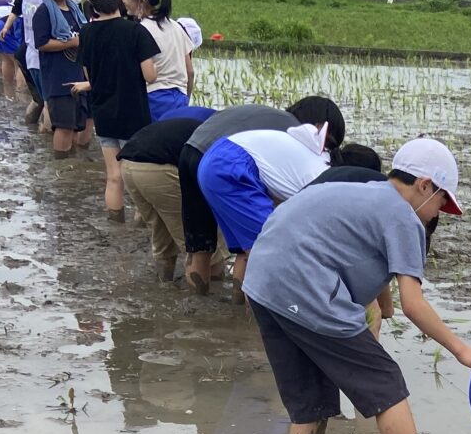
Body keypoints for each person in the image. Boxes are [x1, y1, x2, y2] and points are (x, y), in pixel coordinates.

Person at [243, 137, 471, 434]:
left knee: (309, 403)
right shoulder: (403, 218)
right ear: (425, 185)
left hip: (262, 281)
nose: (438, 213)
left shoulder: (360, 190)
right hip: (305, 285)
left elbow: (352, 256)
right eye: (441, 201)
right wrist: (461, 350)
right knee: (386, 384)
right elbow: (413, 303)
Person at [179, 97, 344, 295]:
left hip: (193, 151)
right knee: (262, 252)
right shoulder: (294, 134)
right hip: (228, 165)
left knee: (202, 245)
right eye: (329, 143)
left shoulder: (270, 117)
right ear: (319, 126)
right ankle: (246, 319)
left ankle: (200, 310)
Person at [68, 0, 156, 221]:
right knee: (137, 176)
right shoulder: (136, 32)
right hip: (134, 114)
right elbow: (150, 76)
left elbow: (90, 77)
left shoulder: (86, 33)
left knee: (114, 175)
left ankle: (115, 226)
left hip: (104, 113)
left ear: (91, 2)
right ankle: (142, 228)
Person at [198, 123, 334, 284]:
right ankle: (253, 308)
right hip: (233, 167)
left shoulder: (317, 159)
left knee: (248, 250)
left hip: (216, 156)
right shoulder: (320, 179)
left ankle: (237, 303)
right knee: (267, 257)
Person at [117, 111, 227, 283]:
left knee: (164, 239)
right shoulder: (231, 140)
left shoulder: (212, 121)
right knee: (202, 249)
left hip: (128, 162)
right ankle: (203, 301)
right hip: (161, 166)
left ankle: (164, 285)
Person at [30, 0, 92, 156]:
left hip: (77, 76)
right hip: (57, 80)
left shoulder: (75, 11)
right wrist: (72, 43)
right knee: (64, 127)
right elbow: (41, 44)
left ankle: (70, 168)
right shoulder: (44, 12)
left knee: (75, 127)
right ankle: (60, 166)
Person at [119, 0, 194, 121]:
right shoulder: (176, 27)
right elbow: (190, 71)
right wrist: (186, 97)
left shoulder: (139, 30)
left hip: (153, 100)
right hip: (180, 99)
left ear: (141, 0)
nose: (122, 0)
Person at [4, 0, 49, 126]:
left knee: (38, 99)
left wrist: (6, 27)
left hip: (26, 53)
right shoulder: (47, 1)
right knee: (49, 102)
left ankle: (28, 129)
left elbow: (14, 11)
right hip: (41, 57)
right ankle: (45, 139)